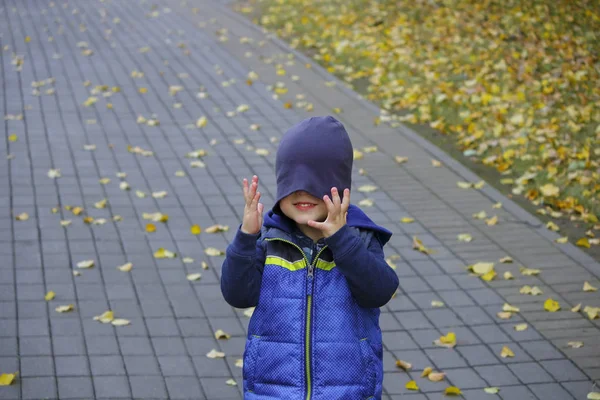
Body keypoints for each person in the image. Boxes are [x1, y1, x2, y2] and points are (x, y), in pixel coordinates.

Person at [221, 116, 399, 400]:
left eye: (317, 178)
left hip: (347, 391)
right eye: (292, 178)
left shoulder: (360, 238)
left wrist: (341, 240)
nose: (302, 190)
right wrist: (245, 237)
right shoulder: (269, 240)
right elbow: (237, 294)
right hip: (273, 389)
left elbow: (379, 291)